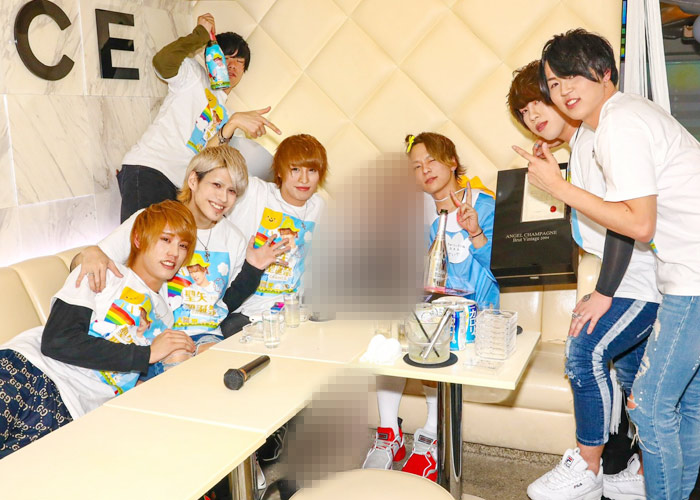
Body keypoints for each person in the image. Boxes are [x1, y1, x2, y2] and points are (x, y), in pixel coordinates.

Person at [514, 28, 700, 500]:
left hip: (681, 277)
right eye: (554, 84)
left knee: (644, 400)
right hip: (678, 273)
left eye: (571, 77)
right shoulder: (612, 125)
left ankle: (591, 466)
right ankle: (643, 478)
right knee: (684, 404)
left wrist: (557, 188)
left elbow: (633, 223)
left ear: (604, 72)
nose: (562, 91)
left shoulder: (618, 124)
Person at [0, 200, 197, 457]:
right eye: (166, 239)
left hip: (68, 412)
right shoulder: (102, 272)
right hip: (28, 370)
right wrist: (147, 354)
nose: (174, 253)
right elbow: (58, 341)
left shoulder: (165, 320)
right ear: (138, 239)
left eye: (183, 245)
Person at [363, 132, 499, 481]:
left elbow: (503, 270)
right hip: (437, 310)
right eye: (416, 166)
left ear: (452, 162)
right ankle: (388, 432)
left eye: (432, 161)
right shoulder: (430, 215)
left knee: (433, 341)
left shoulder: (485, 204)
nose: (424, 170)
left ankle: (430, 438)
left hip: (475, 314)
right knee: (389, 334)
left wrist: (476, 233)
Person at [73, 146, 285, 365]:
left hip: (207, 336)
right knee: (180, 359)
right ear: (193, 181)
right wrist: (90, 253)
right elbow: (82, 265)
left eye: (232, 191)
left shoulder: (235, 239)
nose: (223, 198)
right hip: (152, 336)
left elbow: (223, 302)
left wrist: (253, 269)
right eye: (217, 185)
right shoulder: (153, 221)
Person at [118, 12, 281, 222]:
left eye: (239, 61)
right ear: (210, 57)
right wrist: (200, 34)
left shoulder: (227, 115)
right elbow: (161, 62)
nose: (231, 65)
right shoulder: (193, 75)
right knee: (144, 240)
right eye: (226, 57)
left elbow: (205, 159)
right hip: (151, 169)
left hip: (179, 189)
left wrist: (233, 123)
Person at [220, 134, 328, 334]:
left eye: (312, 170)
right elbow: (209, 170)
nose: (304, 179)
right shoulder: (255, 191)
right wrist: (229, 129)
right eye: (295, 169)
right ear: (279, 171)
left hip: (293, 311)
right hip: (245, 310)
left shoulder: (318, 206)